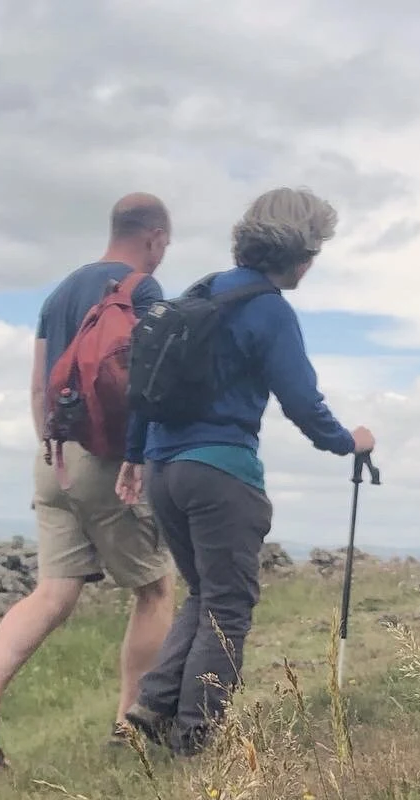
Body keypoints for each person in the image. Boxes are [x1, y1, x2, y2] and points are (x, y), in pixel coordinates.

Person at [118, 187, 375, 757]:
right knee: (228, 606)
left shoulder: (199, 293)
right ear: (299, 254)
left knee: (201, 594)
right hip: (220, 474)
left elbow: (144, 383)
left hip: (163, 469)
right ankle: (197, 740)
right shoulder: (268, 310)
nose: (312, 265)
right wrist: (347, 442)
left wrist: (136, 455)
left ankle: (154, 704)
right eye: (314, 253)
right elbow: (303, 403)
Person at [0, 193, 177, 769]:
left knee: (52, 591)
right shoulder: (141, 291)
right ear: (153, 237)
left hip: (53, 458)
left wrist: (53, 450)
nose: (163, 255)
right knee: (154, 589)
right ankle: (130, 723)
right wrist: (138, 459)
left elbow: (37, 386)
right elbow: (148, 389)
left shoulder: (57, 294)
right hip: (109, 460)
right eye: (165, 245)